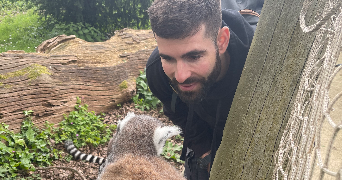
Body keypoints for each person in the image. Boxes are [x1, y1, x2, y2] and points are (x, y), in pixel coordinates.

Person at [146, 0, 263, 179]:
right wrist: (203, 150)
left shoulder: (262, 68)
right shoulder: (157, 72)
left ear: (222, 41)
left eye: (193, 56)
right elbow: (176, 111)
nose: (180, 76)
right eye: (168, 58)